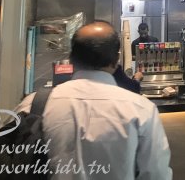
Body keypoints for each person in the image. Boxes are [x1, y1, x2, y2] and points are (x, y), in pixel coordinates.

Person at [15, 21, 172, 179]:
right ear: (116, 60)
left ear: (71, 59)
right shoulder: (142, 110)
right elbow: (156, 174)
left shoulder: (34, 104)